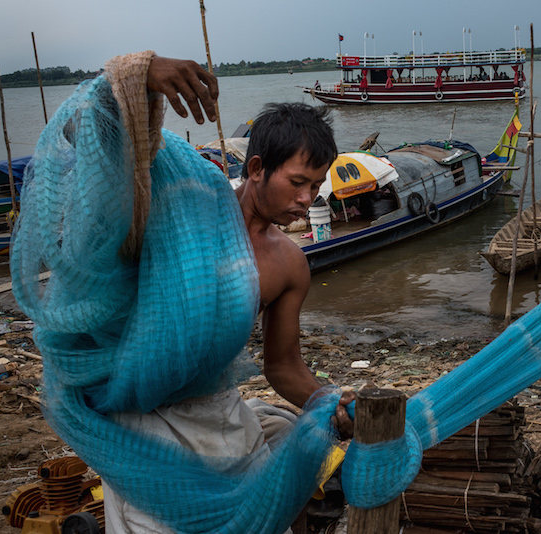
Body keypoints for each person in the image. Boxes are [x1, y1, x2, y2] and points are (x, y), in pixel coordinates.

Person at [101, 54, 355, 533]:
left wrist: (333, 402)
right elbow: (104, 149)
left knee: (273, 503)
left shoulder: (288, 263)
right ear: (257, 168)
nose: (308, 200)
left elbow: (282, 366)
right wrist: (138, 77)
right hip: (143, 419)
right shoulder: (185, 209)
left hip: (218, 413)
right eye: (298, 182)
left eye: (317, 186)